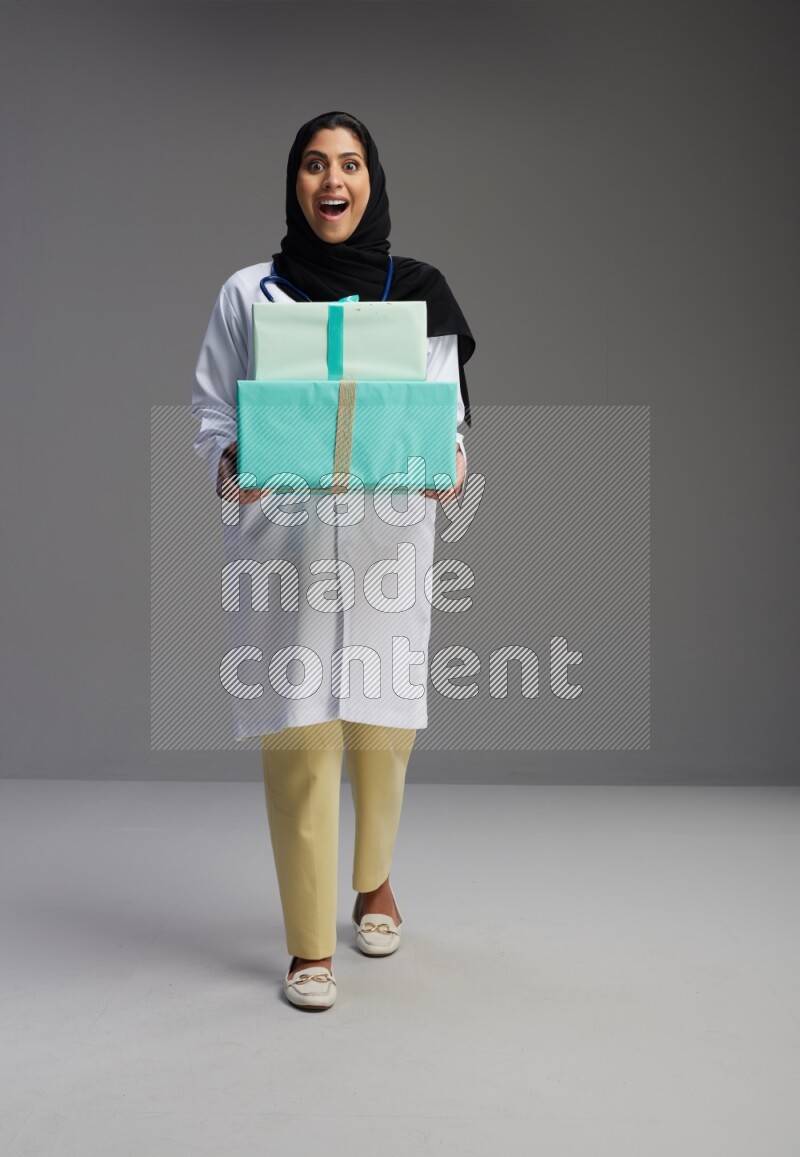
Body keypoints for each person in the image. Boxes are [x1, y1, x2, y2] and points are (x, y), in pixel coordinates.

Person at [191, 111, 475, 1009]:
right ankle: (310, 943)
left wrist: (450, 470)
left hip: (389, 544)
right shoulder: (250, 294)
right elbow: (212, 416)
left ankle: (375, 880)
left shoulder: (418, 292)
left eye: (348, 164)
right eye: (314, 165)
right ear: (295, 183)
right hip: (287, 551)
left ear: (372, 179)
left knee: (384, 735)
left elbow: (451, 425)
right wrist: (231, 466)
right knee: (301, 741)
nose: (330, 181)